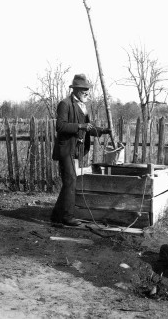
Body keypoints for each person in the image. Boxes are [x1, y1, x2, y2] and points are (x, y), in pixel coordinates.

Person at [51, 74, 111, 226]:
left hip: (76, 150)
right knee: (71, 180)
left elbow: (88, 128)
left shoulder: (83, 107)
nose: (87, 93)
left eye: (88, 90)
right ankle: (67, 217)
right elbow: (60, 126)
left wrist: (104, 131)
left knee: (69, 182)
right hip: (66, 149)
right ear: (76, 90)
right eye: (84, 90)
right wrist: (80, 126)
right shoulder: (65, 104)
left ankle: (56, 215)